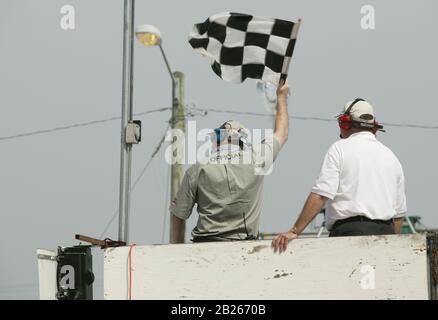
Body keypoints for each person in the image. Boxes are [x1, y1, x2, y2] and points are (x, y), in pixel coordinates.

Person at [272, 98, 407, 253]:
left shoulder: (339, 149)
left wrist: (295, 231)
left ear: (345, 123)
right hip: (387, 236)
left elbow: (321, 194)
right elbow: (399, 215)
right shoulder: (391, 157)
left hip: (350, 233)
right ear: (374, 127)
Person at [170, 80, 290, 243]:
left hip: (204, 247)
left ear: (218, 139)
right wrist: (281, 97)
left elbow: (178, 215)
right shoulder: (256, 159)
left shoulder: (197, 169)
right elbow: (281, 133)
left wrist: (177, 252)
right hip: (244, 246)